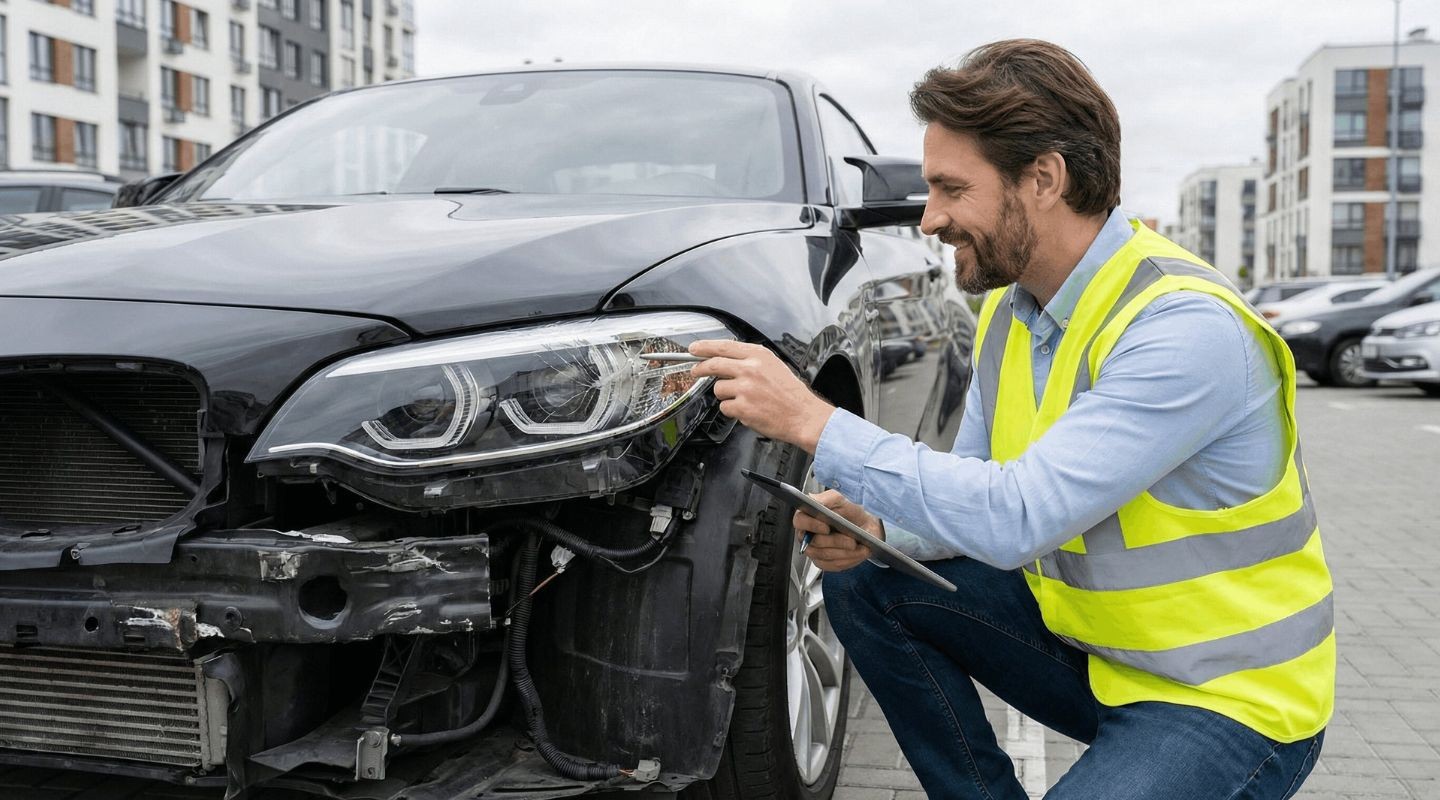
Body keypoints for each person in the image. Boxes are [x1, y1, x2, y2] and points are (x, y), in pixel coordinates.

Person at [687, 39, 1332, 799]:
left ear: (1044, 179)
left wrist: (814, 420)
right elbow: (977, 484)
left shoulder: (1183, 328)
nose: (930, 219)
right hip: (1099, 657)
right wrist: (881, 529)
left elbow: (1016, 517)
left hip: (1224, 696)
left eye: (952, 189)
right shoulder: (1012, 312)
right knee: (866, 579)